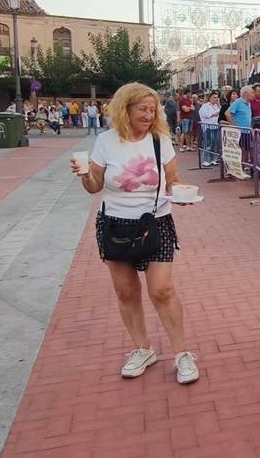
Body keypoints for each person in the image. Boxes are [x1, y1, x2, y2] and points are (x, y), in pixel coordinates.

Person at [70, 82, 198, 384]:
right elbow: (95, 186)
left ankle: (182, 353)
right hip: (115, 224)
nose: (149, 114)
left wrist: (180, 192)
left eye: (152, 109)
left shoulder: (159, 140)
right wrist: (83, 174)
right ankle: (143, 349)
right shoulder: (105, 141)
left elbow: (173, 179)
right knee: (125, 291)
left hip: (156, 221)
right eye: (143, 108)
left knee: (162, 290)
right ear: (124, 108)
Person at [198, 91, 221, 167]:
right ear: (210, 98)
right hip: (208, 127)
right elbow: (205, 115)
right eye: (214, 97)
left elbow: (221, 113)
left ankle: (213, 159)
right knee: (208, 144)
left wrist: (219, 105)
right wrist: (214, 114)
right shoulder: (205, 106)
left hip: (215, 126)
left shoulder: (217, 106)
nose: (215, 99)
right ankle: (206, 160)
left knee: (215, 144)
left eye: (217, 97)